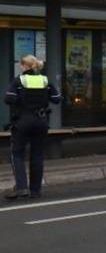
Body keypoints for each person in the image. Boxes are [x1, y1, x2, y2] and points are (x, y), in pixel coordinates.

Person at [4, 56, 62, 200]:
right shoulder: (45, 80)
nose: (20, 67)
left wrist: (22, 101)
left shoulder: (19, 80)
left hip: (23, 121)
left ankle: (22, 187)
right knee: (37, 155)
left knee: (17, 153)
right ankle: (35, 191)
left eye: (21, 65)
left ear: (25, 66)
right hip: (41, 121)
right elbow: (57, 99)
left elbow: (8, 99)